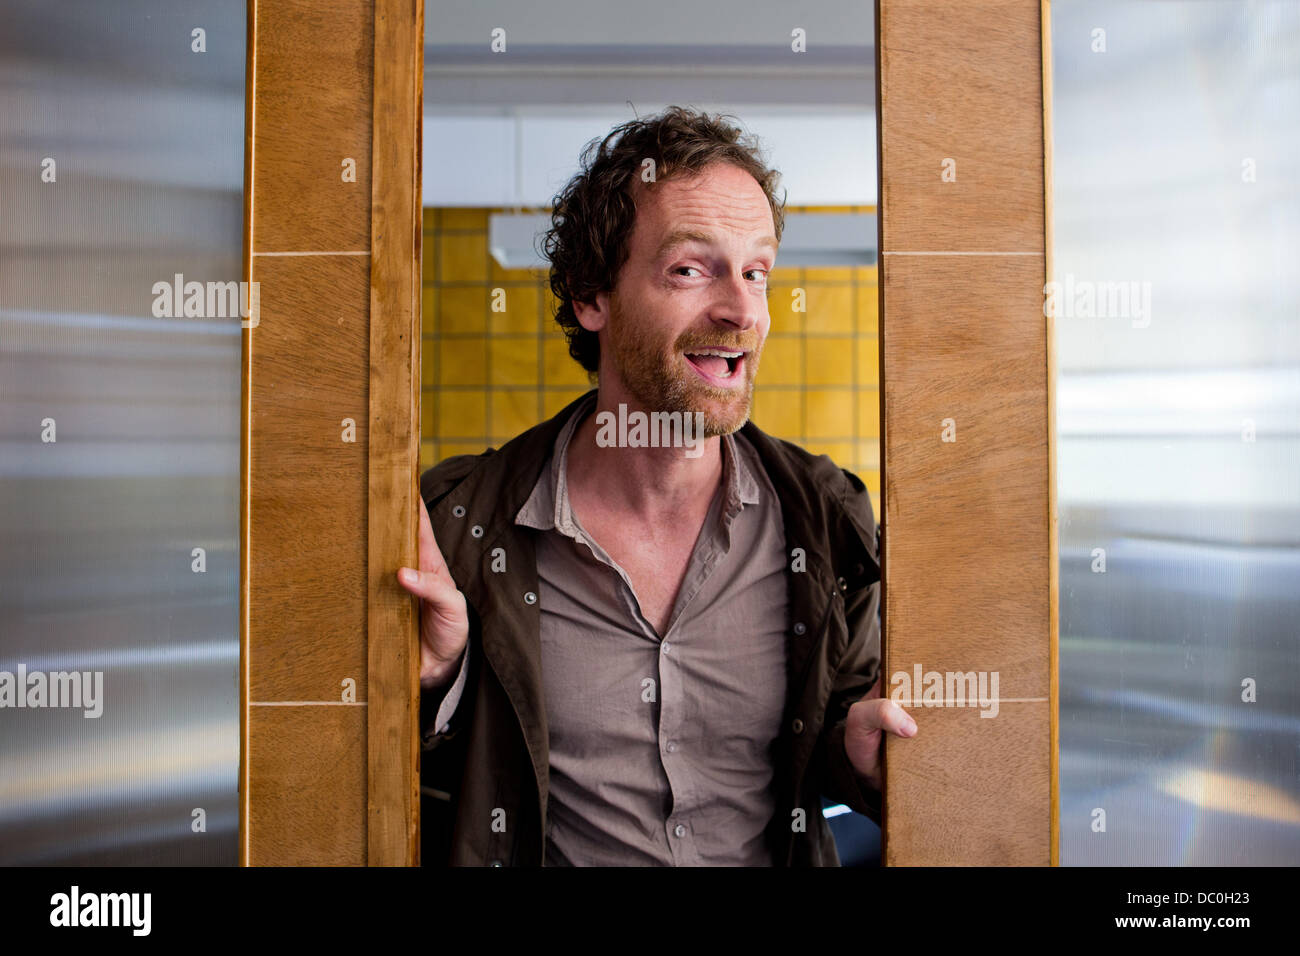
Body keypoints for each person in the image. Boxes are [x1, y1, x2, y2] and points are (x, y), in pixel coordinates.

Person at [397, 105, 916, 867]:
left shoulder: (830, 521)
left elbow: (842, 733)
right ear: (591, 297)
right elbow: (413, 787)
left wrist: (866, 759)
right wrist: (435, 677)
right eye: (690, 268)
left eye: (756, 271)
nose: (741, 309)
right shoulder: (462, 525)